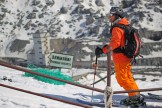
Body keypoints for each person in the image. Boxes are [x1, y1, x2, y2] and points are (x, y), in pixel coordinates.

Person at [95, 7, 144, 106]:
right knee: (128, 77)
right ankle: (135, 96)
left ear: (117, 16)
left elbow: (115, 43)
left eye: (111, 15)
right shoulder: (125, 25)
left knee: (122, 79)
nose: (109, 17)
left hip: (121, 58)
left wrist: (103, 50)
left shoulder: (117, 27)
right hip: (127, 57)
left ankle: (134, 98)